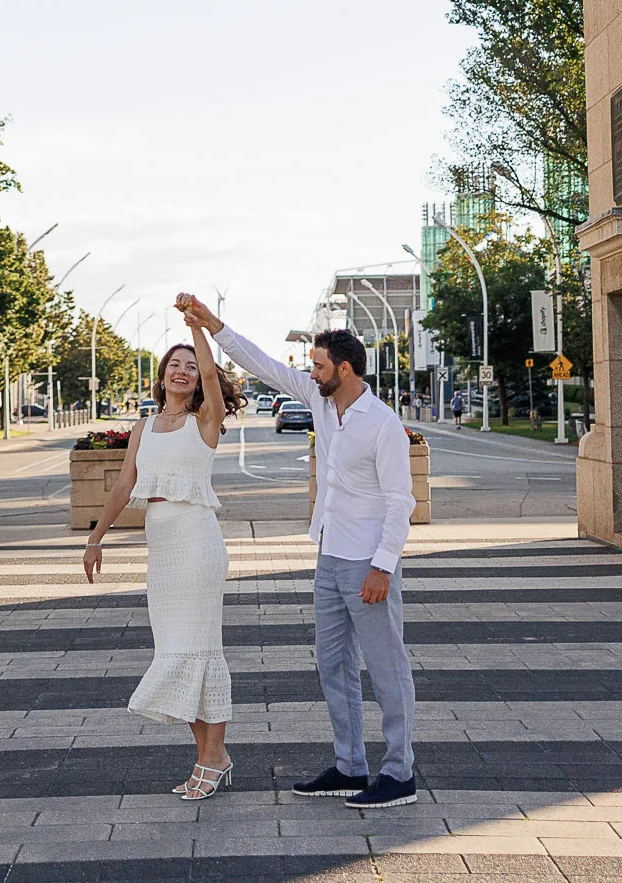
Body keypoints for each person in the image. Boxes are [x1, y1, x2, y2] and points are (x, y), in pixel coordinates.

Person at [176, 290, 417, 811]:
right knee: (333, 665)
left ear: (347, 369)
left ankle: (400, 771)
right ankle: (351, 767)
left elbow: (402, 500)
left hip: (368, 561)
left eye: (319, 366)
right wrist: (213, 324)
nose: (311, 373)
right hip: (330, 555)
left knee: (385, 665)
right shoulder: (320, 403)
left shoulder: (382, 423)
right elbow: (259, 362)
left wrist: (383, 566)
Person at [82, 309, 243, 801]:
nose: (182, 370)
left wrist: (196, 325)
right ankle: (212, 757)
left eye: (190, 366)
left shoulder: (206, 420)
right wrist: (95, 538)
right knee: (178, 651)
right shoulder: (145, 427)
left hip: (197, 543)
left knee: (200, 649)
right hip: (164, 550)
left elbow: (214, 372)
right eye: (175, 363)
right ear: (161, 375)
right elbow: (124, 485)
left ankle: (212, 758)